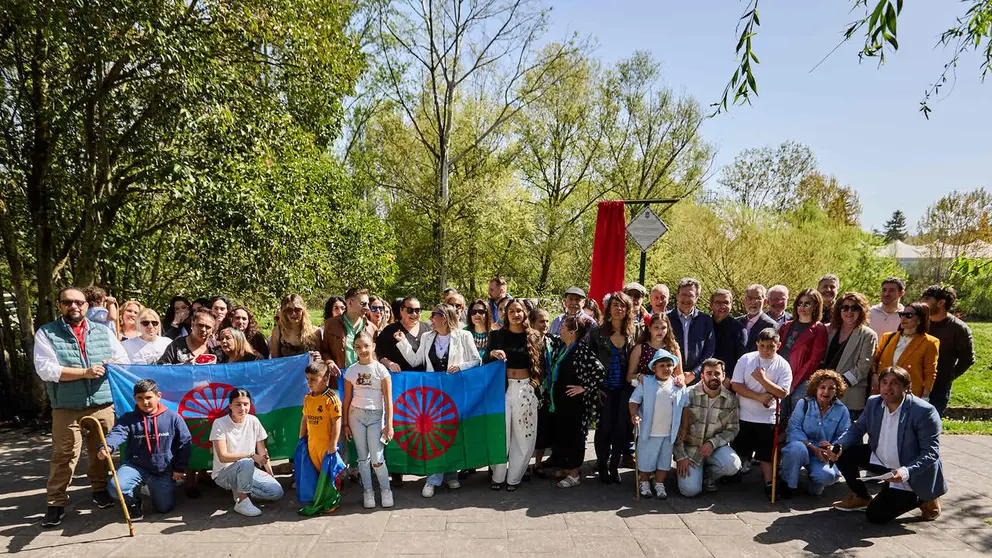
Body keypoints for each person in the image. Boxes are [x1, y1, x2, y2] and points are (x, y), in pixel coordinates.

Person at [34, 287, 130, 528]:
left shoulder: (103, 331)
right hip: (67, 406)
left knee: (102, 451)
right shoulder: (47, 333)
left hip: (102, 402)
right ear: (59, 305)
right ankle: (55, 503)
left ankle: (99, 490)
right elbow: (46, 370)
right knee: (64, 455)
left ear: (87, 305)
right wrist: (84, 373)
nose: (74, 306)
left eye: (79, 302)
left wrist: (112, 363)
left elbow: (123, 360)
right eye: (68, 302)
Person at [829, 366, 946, 524]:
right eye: (884, 382)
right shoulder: (874, 402)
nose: (888, 388)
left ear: (907, 387)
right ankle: (861, 497)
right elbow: (857, 429)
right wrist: (838, 445)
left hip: (908, 471)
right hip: (881, 461)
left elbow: (930, 453)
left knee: (875, 515)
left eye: (894, 383)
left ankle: (924, 497)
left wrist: (905, 472)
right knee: (844, 454)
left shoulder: (924, 412)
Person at [394, 304, 480, 495]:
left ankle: (451, 474)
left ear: (445, 317)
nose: (430, 319)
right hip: (433, 395)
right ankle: (433, 479)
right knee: (435, 434)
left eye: (434, 315)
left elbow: (476, 360)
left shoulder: (464, 336)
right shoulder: (427, 337)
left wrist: (460, 367)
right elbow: (415, 360)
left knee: (452, 434)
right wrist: (403, 342)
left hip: (455, 392)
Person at [98, 379, 191, 519]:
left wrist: (179, 468)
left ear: (158, 396)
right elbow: (117, 434)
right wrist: (107, 446)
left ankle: (153, 488)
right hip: (135, 466)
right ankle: (134, 502)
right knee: (116, 486)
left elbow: (185, 442)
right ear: (135, 398)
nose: (145, 402)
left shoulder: (173, 417)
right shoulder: (128, 418)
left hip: (163, 469)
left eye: (148, 397)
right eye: (140, 398)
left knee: (165, 508)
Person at [486, 299, 542, 491]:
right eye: (511, 311)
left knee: (523, 436)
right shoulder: (496, 335)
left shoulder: (534, 336)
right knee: (500, 433)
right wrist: (492, 353)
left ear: (525, 313)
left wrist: (533, 386)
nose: (515, 314)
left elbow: (543, 367)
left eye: (519, 310)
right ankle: (498, 476)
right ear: (505, 314)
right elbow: (485, 359)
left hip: (525, 389)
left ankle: (514, 478)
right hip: (502, 389)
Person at [730, 328, 792, 499]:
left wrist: (762, 380)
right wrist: (758, 397)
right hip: (743, 414)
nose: (766, 350)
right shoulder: (746, 359)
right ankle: (732, 473)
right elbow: (736, 385)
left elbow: (782, 393)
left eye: (771, 346)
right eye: (762, 346)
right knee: (739, 449)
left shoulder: (783, 365)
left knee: (766, 455)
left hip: (768, 418)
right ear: (757, 344)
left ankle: (769, 483)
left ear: (778, 345)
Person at [545, 316, 605, 488]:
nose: (560, 330)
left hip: (575, 404)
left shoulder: (580, 349)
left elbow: (599, 370)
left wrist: (584, 387)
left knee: (574, 437)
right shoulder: (564, 347)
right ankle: (567, 469)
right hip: (562, 402)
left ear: (572, 332)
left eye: (563, 327)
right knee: (564, 435)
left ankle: (574, 474)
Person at [209, 388, 284, 516]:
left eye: (246, 404)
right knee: (246, 461)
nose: (242, 408)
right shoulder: (220, 423)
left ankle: (240, 490)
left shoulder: (253, 420)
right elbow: (223, 457)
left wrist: (270, 474)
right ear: (230, 405)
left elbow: (262, 451)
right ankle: (242, 501)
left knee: (276, 492)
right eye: (238, 404)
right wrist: (251, 455)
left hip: (248, 469)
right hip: (224, 474)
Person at [674, 359, 742, 497]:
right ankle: (689, 473)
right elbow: (675, 428)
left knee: (733, 465)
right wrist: (680, 457)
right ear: (702, 376)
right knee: (690, 491)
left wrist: (713, 443)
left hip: (715, 449)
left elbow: (733, 429)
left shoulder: (731, 399)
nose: (713, 377)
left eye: (717, 373)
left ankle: (708, 476)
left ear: (723, 375)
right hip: (690, 449)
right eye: (709, 373)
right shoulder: (687, 395)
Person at [779, 370, 850, 498]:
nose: (826, 391)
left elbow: (844, 435)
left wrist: (832, 447)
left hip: (823, 453)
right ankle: (787, 483)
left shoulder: (842, 410)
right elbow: (793, 429)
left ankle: (814, 479)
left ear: (837, 390)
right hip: (803, 446)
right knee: (796, 449)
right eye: (822, 387)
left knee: (828, 477)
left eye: (831, 388)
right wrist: (812, 447)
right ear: (815, 388)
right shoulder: (804, 403)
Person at [589, 291, 636, 484]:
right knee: (604, 427)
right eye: (615, 305)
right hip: (605, 388)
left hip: (624, 389)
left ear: (628, 310)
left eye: (623, 305)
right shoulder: (597, 333)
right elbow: (589, 361)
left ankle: (614, 465)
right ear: (609, 309)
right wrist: (596, 386)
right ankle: (602, 464)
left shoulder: (633, 333)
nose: (619, 309)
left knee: (621, 428)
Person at [343, 333, 394, 508]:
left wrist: (389, 424)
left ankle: (386, 490)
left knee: (377, 458)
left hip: (376, 416)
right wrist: (345, 424)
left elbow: (388, 400)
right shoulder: (351, 371)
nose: (362, 350)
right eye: (358, 347)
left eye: (366, 345)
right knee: (362, 458)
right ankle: (368, 491)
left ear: (373, 346)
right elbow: (347, 399)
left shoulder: (381, 370)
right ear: (354, 349)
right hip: (355, 415)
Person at [629, 350, 687, 499]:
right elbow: (634, 401)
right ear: (654, 368)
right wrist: (634, 415)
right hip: (649, 431)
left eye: (669, 365)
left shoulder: (678, 385)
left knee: (664, 460)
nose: (666, 368)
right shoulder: (647, 382)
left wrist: (683, 427)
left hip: (668, 432)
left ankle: (659, 483)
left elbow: (684, 407)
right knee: (646, 458)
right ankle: (644, 482)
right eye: (662, 365)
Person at [297, 361, 345, 516]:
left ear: (325, 379)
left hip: (327, 445)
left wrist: (333, 443)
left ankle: (332, 500)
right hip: (312, 445)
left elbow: (337, 421)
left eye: (313, 379)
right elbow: (305, 418)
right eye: (307, 379)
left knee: (330, 474)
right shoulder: (307, 398)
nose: (309, 383)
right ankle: (319, 498)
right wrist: (301, 438)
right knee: (316, 474)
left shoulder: (331, 398)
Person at [921, 285, 976, 417]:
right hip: (915, 383)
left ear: (941, 302)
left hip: (939, 389)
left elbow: (967, 359)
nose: (922, 303)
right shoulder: (919, 323)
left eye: (927, 299)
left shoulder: (959, 328)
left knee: (930, 424)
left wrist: (948, 377)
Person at [824, 292, 878, 419]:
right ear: (839, 310)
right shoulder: (829, 329)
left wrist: (837, 384)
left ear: (862, 311)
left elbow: (862, 368)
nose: (849, 311)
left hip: (850, 396)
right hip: (824, 393)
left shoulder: (868, 335)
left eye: (855, 308)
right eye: (845, 308)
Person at [870, 302, 939, 399]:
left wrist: (925, 396)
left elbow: (930, 373)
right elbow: (875, 360)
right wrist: (874, 375)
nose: (903, 318)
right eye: (902, 314)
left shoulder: (930, 342)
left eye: (908, 315)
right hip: (882, 392)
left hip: (908, 395)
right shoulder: (888, 337)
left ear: (920, 319)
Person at [778, 289, 828, 414]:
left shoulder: (819, 329)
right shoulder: (786, 326)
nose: (802, 307)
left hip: (802, 381)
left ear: (815, 305)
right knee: (778, 416)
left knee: (797, 417)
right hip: (780, 376)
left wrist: (794, 383)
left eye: (807, 304)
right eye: (800, 303)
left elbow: (814, 361)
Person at [666, 278, 714, 385]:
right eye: (683, 295)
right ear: (677, 296)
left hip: (697, 379)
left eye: (690, 295)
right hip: (669, 377)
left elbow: (709, 351)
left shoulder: (705, 320)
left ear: (696, 298)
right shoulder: (666, 319)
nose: (686, 299)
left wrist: (694, 373)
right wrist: (673, 372)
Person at [322, 288, 378, 371]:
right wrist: (330, 362)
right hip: (339, 375)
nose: (367, 308)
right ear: (349, 303)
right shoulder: (331, 324)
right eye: (363, 304)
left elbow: (375, 354)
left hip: (364, 376)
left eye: (368, 304)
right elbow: (324, 351)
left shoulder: (372, 328)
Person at [627, 313, 684, 384]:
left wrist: (679, 379)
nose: (660, 331)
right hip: (646, 388)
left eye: (663, 328)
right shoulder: (640, 348)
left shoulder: (673, 347)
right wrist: (639, 377)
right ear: (649, 328)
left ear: (668, 329)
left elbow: (680, 374)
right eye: (656, 328)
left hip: (668, 388)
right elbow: (629, 377)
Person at [377, 296, 427, 372]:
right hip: (398, 376)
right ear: (401, 310)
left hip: (425, 377)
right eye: (410, 310)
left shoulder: (428, 330)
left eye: (417, 310)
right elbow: (378, 353)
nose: (414, 314)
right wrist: (388, 363)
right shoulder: (389, 330)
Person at [157, 309, 222, 364]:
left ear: (213, 329)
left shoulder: (217, 347)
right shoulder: (177, 345)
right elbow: (161, 368)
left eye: (208, 327)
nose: (203, 329)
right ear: (192, 324)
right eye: (200, 325)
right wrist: (182, 366)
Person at [272, 294, 321, 360]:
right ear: (284, 313)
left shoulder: (315, 332)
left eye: (297, 309)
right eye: (289, 310)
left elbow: (322, 358)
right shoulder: (277, 332)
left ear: (303, 310)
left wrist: (319, 356)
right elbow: (275, 361)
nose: (294, 313)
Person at [710, 289, 745, 380]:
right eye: (718, 303)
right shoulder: (704, 324)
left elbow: (742, 358)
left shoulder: (739, 328)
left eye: (726, 302)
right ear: (711, 305)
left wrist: (729, 378)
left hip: (728, 379)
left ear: (731, 305)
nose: (722, 306)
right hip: (704, 377)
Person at [738, 285, 778, 352]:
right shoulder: (737, 322)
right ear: (745, 301)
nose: (753, 302)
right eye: (750, 298)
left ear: (765, 302)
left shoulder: (771, 325)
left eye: (758, 298)